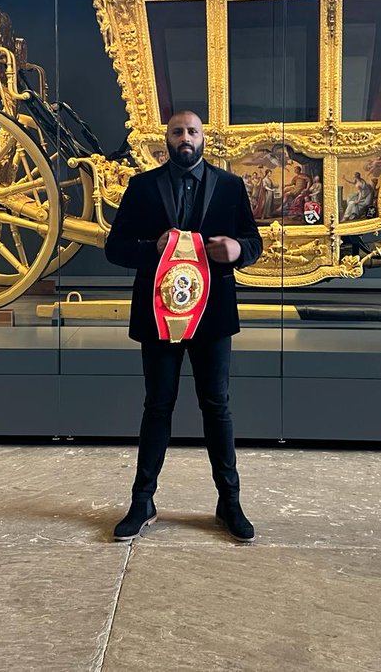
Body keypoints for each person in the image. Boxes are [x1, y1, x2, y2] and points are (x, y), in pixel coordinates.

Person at [105, 110, 263, 542]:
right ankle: (142, 502)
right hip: (159, 314)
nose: (185, 137)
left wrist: (238, 250)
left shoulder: (231, 186)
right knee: (157, 406)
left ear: (203, 138)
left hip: (213, 315)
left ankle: (229, 502)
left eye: (192, 131)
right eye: (178, 131)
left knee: (217, 407)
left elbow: (254, 242)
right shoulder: (141, 187)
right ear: (167, 139)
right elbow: (115, 248)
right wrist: (151, 248)